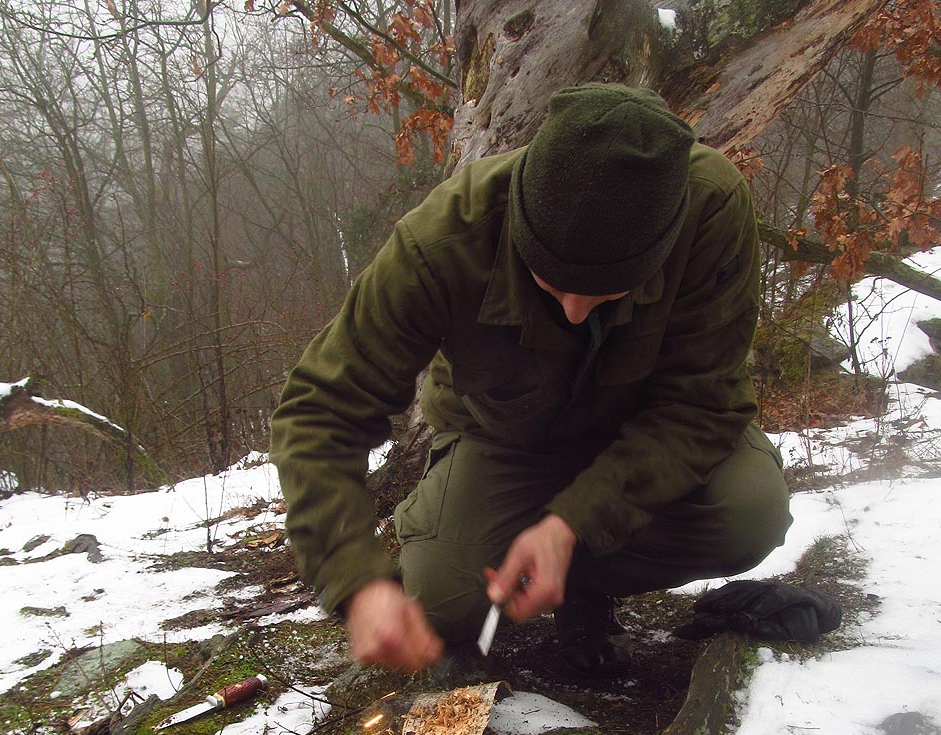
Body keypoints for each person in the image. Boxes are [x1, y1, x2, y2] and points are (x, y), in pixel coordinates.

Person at [270, 84, 792, 677]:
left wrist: (571, 524)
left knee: (748, 512)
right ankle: (475, 537)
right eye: (552, 280)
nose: (573, 310)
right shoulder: (443, 242)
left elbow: (701, 404)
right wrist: (356, 580)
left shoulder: (710, 211)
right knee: (437, 604)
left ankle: (579, 581)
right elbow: (319, 409)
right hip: (503, 438)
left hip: (647, 435)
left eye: (606, 289)